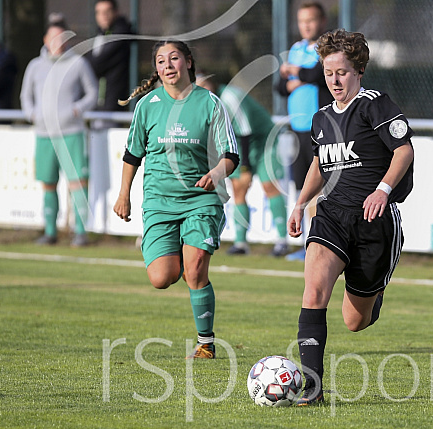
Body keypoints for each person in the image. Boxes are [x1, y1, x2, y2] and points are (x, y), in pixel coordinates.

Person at [287, 29, 415, 405]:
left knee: (354, 322)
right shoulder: (321, 118)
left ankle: (372, 297)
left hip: (376, 221)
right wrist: (300, 203)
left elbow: (403, 150)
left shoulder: (375, 104)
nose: (335, 80)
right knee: (313, 292)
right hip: (332, 215)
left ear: (358, 70)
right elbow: (318, 164)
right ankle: (312, 388)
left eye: (341, 72)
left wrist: (383, 189)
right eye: (328, 73)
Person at [112, 40, 239, 359]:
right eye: (160, 61)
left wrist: (216, 173)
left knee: (195, 271)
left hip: (201, 199)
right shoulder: (147, 105)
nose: (167, 65)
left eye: (174, 58)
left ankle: (206, 344)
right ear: (155, 69)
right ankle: (181, 250)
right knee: (161, 277)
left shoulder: (210, 103)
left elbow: (231, 155)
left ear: (188, 62)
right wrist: (123, 194)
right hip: (159, 202)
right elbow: (132, 154)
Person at [20, 17, 98, 247]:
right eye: (53, 37)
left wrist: (77, 109)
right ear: (45, 39)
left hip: (71, 132)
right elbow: (25, 96)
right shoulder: (35, 65)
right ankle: (50, 232)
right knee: (47, 182)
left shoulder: (78, 63)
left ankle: (81, 233)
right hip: (44, 134)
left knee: (77, 182)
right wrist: (32, 114)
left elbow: (92, 93)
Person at [196, 73, 289, 257]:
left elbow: (245, 130)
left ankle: (282, 241)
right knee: (238, 189)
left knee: (269, 186)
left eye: (204, 85)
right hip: (237, 143)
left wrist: (245, 167)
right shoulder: (201, 103)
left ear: (211, 83)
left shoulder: (229, 97)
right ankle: (240, 243)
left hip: (263, 140)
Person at [277, 1, 333, 261]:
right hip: (296, 129)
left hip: (318, 130)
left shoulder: (327, 49)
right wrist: (288, 79)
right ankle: (306, 244)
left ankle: (319, 243)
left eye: (311, 20)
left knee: (320, 187)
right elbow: (280, 85)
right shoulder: (296, 49)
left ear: (321, 22)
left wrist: (297, 74)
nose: (306, 25)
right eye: (302, 21)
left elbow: (319, 75)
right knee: (301, 187)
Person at [85, 0, 133, 123]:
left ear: (116, 12)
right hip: (99, 99)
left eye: (107, 11)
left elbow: (96, 64)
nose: (103, 16)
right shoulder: (99, 35)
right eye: (99, 12)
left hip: (113, 101)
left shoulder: (120, 34)